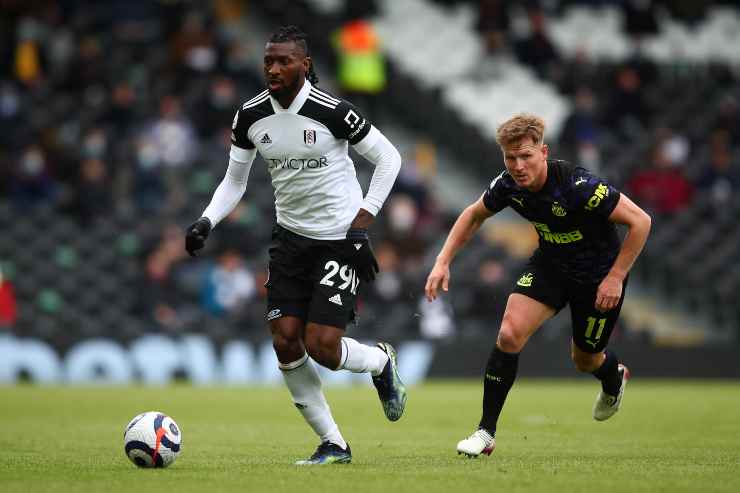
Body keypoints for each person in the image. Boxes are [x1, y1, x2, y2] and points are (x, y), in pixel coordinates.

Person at [185, 26, 406, 465]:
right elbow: (235, 181)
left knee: (323, 347)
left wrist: (362, 223)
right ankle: (333, 443)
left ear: (305, 65)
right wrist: (207, 220)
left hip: (339, 240)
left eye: (284, 61)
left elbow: (389, 159)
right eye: (268, 60)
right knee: (286, 341)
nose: (273, 68)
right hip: (289, 241)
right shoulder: (249, 116)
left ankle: (380, 362)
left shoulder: (332, 111)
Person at [425, 113, 651, 457]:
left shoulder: (579, 187)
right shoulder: (508, 185)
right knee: (508, 334)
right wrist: (442, 261)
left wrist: (615, 277)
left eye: (526, 156)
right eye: (510, 158)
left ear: (543, 152)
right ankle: (485, 433)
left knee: (585, 360)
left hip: (598, 277)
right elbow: (473, 215)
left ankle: (612, 376)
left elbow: (641, 221)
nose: (517, 166)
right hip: (551, 266)